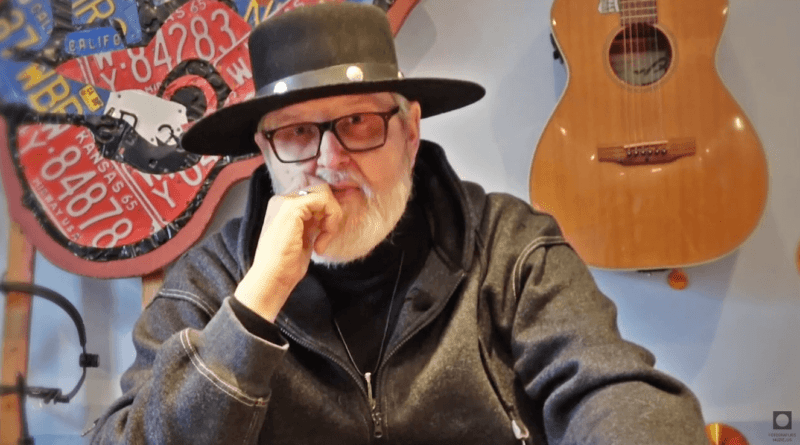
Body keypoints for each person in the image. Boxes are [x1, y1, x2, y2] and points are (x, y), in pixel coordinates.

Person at [91, 3, 709, 444]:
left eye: (359, 123)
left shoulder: (510, 248)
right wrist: (254, 307)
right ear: (265, 151)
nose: (330, 162)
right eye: (297, 133)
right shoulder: (207, 283)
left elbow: (611, 389)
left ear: (410, 132)